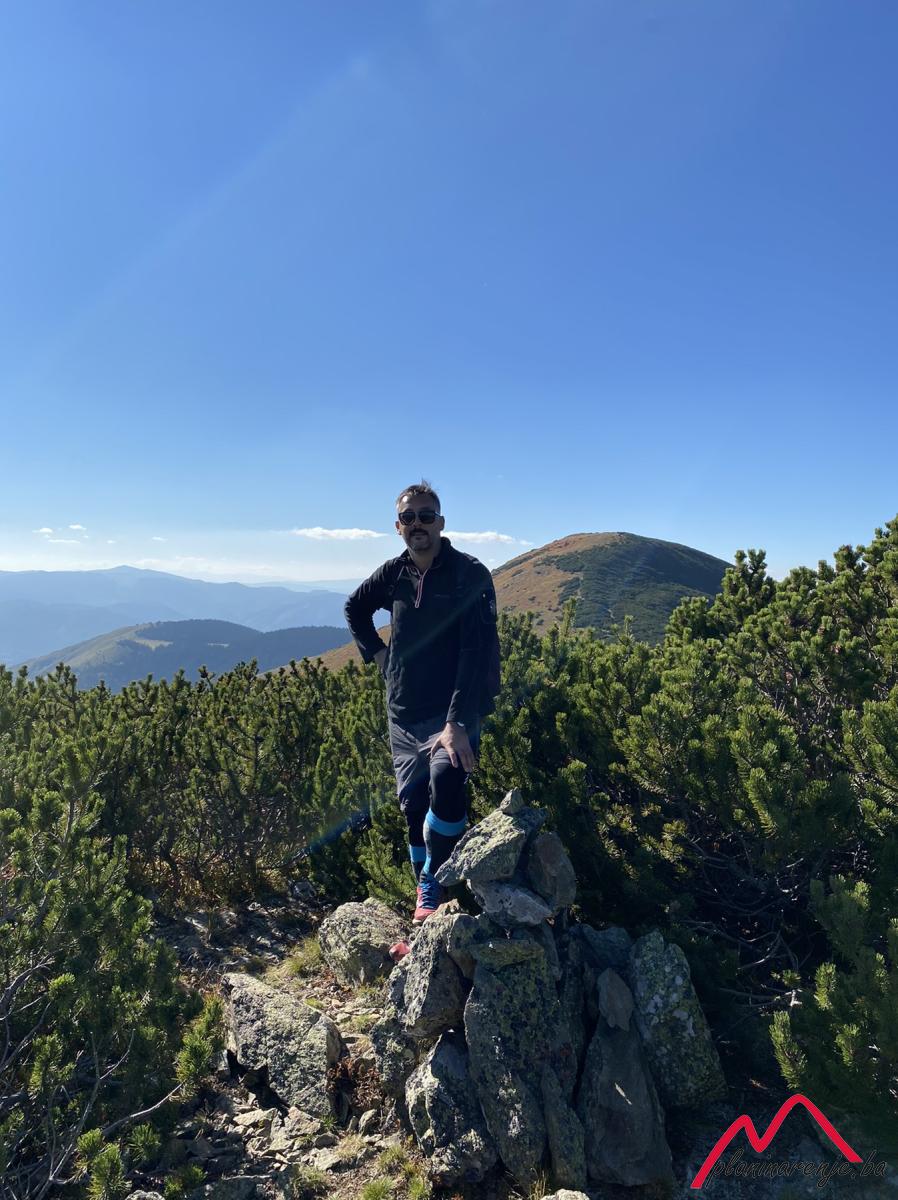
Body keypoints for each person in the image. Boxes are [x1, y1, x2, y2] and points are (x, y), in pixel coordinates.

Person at [344, 480, 498, 923]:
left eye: (426, 516)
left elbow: (476, 651)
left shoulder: (468, 574)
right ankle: (427, 890)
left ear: (440, 523)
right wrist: (378, 654)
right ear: (398, 526)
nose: (418, 524)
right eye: (408, 518)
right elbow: (355, 608)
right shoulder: (394, 572)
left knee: (446, 781)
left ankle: (438, 877)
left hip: (452, 712)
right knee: (413, 805)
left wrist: (457, 723)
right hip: (403, 712)